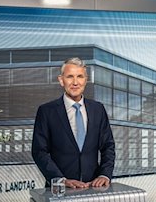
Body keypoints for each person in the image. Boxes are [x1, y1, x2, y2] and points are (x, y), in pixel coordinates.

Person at [32, 57, 115, 188]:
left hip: (94, 187)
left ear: (85, 80)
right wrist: (60, 179)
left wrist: (104, 174)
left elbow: (108, 146)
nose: (75, 82)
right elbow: (39, 151)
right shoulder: (46, 111)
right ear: (61, 80)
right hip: (60, 189)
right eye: (70, 76)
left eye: (80, 76)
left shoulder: (98, 109)